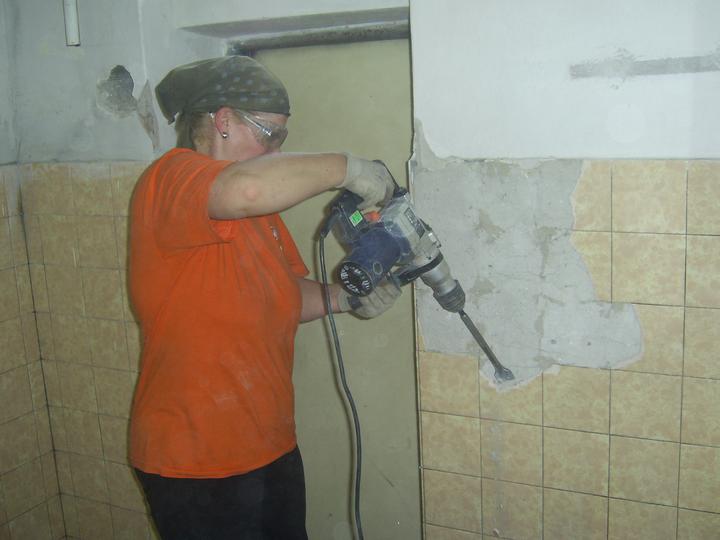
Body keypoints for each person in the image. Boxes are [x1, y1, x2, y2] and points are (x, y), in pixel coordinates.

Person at [127, 55, 403, 540]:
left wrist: (344, 298)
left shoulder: (258, 212)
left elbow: (283, 295)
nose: (277, 149)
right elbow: (249, 189)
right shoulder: (170, 178)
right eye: (269, 134)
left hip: (269, 442)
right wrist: (347, 167)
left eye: (282, 137)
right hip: (196, 457)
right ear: (223, 121)